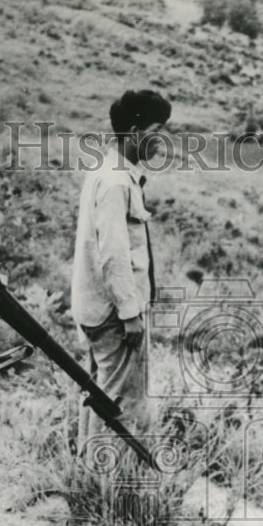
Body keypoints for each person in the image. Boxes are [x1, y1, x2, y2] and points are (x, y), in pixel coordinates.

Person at [71, 89, 171, 455]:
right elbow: (113, 253)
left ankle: (87, 478)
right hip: (114, 314)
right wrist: (130, 312)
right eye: (158, 130)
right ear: (134, 132)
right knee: (118, 403)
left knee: (100, 391)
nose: (164, 140)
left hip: (100, 308)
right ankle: (106, 488)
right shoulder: (115, 181)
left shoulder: (110, 172)